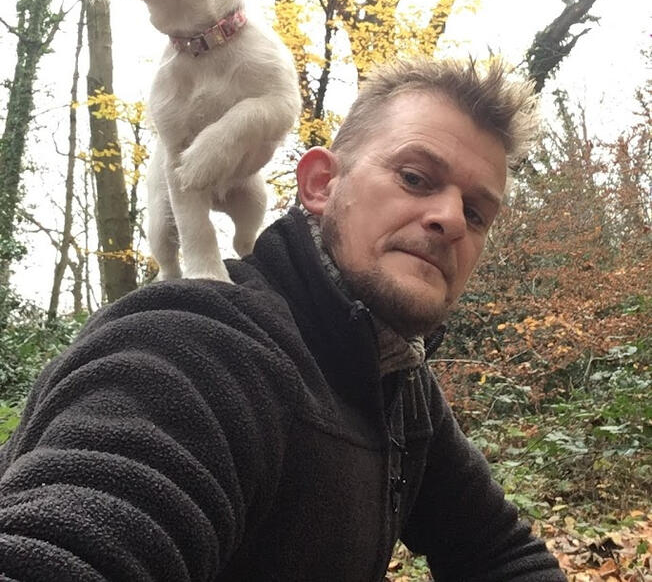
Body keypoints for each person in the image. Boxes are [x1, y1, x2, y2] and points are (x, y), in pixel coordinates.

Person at [0, 57, 566, 581]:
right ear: (320, 184)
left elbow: (499, 552)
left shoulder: (397, 378)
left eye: (476, 212)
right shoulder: (197, 343)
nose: (452, 220)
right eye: (415, 178)